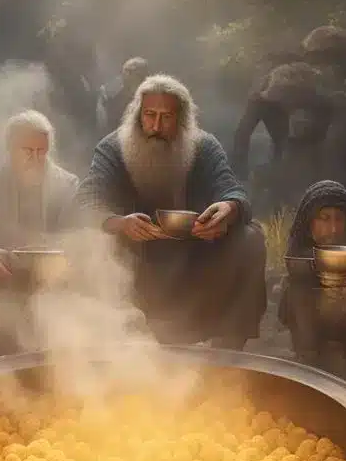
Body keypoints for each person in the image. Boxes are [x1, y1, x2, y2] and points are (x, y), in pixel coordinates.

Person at [76, 74, 268, 349]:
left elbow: (231, 189)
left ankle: (229, 351)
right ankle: (112, 344)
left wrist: (229, 208)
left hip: (195, 260)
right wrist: (119, 224)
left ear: (181, 119)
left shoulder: (203, 146)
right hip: (133, 263)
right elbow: (86, 200)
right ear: (137, 115)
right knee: (89, 240)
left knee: (250, 237)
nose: (156, 126)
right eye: (150, 115)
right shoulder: (113, 148)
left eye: (166, 117)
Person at [0, 110, 80, 357]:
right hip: (1, 274)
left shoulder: (67, 184)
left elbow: (76, 231)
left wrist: (66, 256)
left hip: (53, 276)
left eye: (42, 152)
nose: (36, 159)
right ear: (10, 149)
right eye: (27, 151)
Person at [278, 180, 346, 373]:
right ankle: (309, 360)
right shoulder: (299, 255)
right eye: (324, 219)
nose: (333, 229)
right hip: (311, 329)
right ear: (309, 222)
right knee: (296, 289)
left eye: (339, 219)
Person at [99, 57, 151, 133]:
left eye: (128, 71)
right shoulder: (116, 99)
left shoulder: (151, 97)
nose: (124, 75)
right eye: (124, 71)